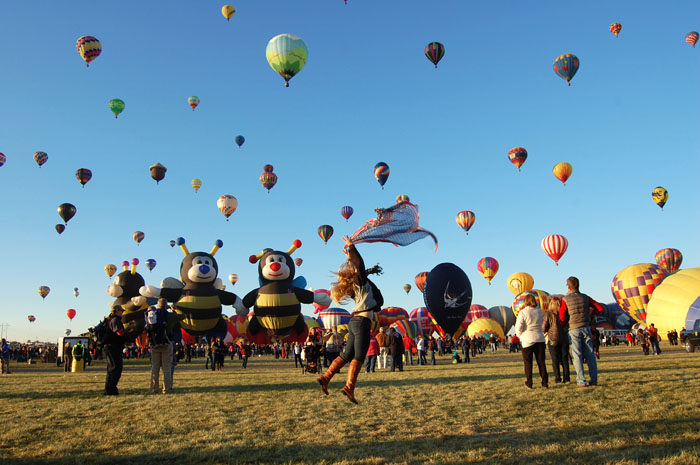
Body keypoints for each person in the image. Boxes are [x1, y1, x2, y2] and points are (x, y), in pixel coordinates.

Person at [317, 235, 384, 404]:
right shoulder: (360, 283)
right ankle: (349, 387)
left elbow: (359, 268)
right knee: (359, 356)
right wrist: (351, 247)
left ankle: (325, 378)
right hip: (362, 322)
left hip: (355, 322)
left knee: (347, 354)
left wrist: (348, 257)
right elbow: (359, 265)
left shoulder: (357, 286)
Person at [558, 276, 604, 387]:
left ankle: (581, 380)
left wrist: (564, 324)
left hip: (573, 328)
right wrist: (591, 314)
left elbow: (562, 317)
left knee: (577, 355)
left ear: (568, 287)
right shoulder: (585, 297)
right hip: (586, 327)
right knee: (590, 354)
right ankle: (594, 379)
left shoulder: (565, 299)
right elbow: (600, 308)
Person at [515, 294, 548, 389]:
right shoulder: (539, 311)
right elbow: (542, 324)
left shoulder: (523, 312)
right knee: (541, 362)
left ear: (525, 302)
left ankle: (529, 383)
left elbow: (518, 327)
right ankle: (545, 382)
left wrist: (520, 336)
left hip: (527, 339)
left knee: (528, 363)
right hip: (540, 338)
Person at [148, 299, 173, 394]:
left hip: (154, 343)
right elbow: (182, 316)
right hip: (166, 342)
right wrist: (174, 309)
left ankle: (154, 388)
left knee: (155, 367)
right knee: (166, 367)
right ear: (166, 305)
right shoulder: (169, 315)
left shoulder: (152, 315)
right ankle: (166, 388)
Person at [542, 296, 570, 383]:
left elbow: (544, 327)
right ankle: (566, 378)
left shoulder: (548, 314)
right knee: (564, 359)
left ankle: (558, 378)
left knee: (555, 360)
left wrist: (547, 331)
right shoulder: (565, 313)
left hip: (553, 339)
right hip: (564, 338)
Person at [104, 306, 127, 395]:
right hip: (114, 347)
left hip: (110, 347)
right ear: (117, 311)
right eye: (121, 311)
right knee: (116, 369)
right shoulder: (115, 320)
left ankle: (109, 389)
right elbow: (120, 333)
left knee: (111, 369)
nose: (122, 313)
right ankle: (111, 389)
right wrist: (128, 330)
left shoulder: (109, 320)